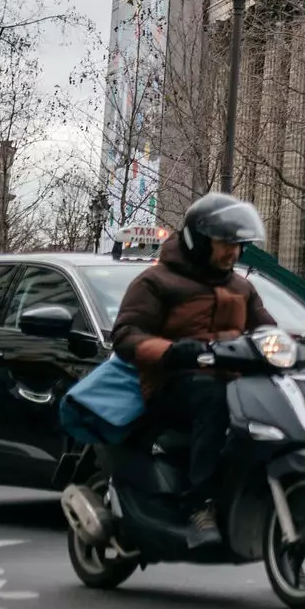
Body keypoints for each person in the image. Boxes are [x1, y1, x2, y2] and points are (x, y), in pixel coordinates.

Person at [110, 192, 276, 549]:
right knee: (211, 395)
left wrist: (297, 346)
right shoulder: (156, 282)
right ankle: (199, 506)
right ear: (198, 241)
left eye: (238, 245)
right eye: (225, 243)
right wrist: (171, 351)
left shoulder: (242, 287)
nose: (234, 252)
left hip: (230, 380)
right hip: (171, 383)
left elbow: (267, 330)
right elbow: (125, 335)